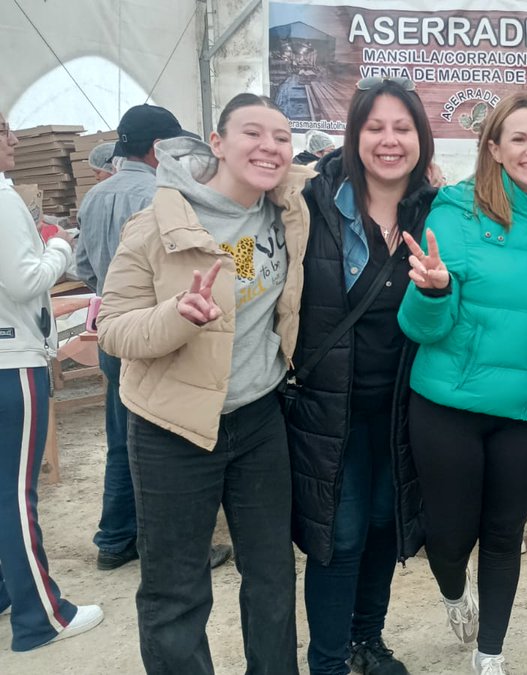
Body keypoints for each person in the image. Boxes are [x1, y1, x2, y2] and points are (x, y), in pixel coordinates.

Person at [97, 93, 310, 673]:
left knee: (271, 575)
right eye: (252, 133)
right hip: (172, 428)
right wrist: (176, 316)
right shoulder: (156, 223)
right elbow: (111, 328)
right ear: (216, 143)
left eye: (281, 137)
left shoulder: (286, 210)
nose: (269, 147)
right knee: (176, 589)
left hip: (259, 418)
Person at [398, 92, 527, 675]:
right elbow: (421, 328)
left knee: (503, 536)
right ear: (494, 148)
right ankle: (454, 592)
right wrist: (433, 292)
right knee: (450, 539)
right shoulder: (456, 213)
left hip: (526, 413)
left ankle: (490, 654)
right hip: (450, 407)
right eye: (518, 138)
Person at [288, 76, 436, 675]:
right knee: (340, 535)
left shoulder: (437, 212)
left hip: (400, 407)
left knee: (382, 525)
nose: (389, 140)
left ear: (421, 139)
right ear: (354, 135)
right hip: (331, 407)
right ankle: (327, 660)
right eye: (375, 127)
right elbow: (246, 252)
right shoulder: (311, 205)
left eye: (402, 127)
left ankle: (365, 640)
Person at [76, 103, 233, 573]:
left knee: (124, 440)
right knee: (171, 446)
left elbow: (83, 267)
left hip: (116, 331)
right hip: (169, 330)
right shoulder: (163, 197)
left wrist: (116, 295)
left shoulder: (95, 196)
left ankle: (114, 537)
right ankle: (169, 545)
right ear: (160, 149)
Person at [0, 109, 105, 652]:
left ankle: (6, 591)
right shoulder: (3, 200)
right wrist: (58, 243)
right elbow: (25, 281)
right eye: (3, 129)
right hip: (11, 360)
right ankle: (42, 618)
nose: (15, 138)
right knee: (16, 494)